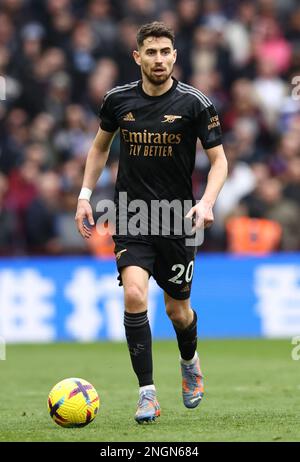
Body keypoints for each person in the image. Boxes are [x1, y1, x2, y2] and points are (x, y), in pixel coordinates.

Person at [75, 22, 228, 424]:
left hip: (178, 220)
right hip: (132, 215)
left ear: (175, 56)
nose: (159, 59)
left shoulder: (196, 104)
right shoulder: (116, 100)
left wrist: (208, 202)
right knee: (134, 297)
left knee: (178, 312)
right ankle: (147, 394)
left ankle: (189, 361)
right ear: (137, 57)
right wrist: (84, 197)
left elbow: (219, 161)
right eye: (151, 52)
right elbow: (98, 149)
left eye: (165, 52)